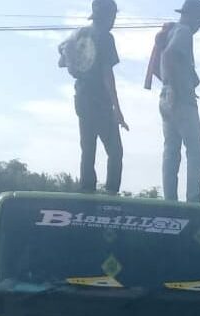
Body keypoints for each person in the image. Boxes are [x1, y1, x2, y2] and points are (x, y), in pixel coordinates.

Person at [70, 0, 127, 195]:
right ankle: (111, 192)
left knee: (88, 148)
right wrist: (117, 109)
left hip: (81, 96)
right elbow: (107, 74)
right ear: (108, 16)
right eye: (113, 16)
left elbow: (64, 61)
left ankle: (87, 190)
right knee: (115, 151)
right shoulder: (105, 37)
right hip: (100, 101)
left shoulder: (80, 34)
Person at [160, 0, 200, 203]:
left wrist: (172, 85)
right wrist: (176, 87)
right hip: (180, 98)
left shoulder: (171, 31)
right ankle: (193, 199)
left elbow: (167, 60)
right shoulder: (184, 32)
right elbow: (169, 55)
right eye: (199, 21)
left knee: (171, 151)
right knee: (197, 152)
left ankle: (170, 200)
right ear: (192, 17)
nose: (199, 26)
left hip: (165, 97)